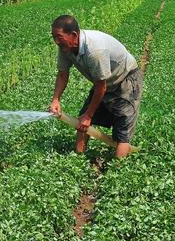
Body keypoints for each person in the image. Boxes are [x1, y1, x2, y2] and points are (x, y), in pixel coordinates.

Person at [48, 15, 143, 158]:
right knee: (82, 121)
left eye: (59, 37)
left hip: (125, 78)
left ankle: (119, 171)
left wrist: (89, 115)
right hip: (103, 82)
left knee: (122, 129)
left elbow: (101, 87)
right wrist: (56, 99)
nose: (56, 41)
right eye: (53, 37)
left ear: (74, 35)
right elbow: (62, 74)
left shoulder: (94, 51)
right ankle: (78, 159)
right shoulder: (65, 47)